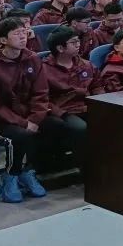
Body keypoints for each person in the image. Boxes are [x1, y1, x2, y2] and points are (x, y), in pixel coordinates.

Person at [0, 18, 62, 203]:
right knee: (21, 135)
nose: (23, 37)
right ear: (3, 40)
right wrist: (23, 122)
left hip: (26, 115)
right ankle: (11, 175)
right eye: (17, 34)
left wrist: (35, 119)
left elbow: (41, 92)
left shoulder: (32, 58)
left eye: (24, 32)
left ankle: (28, 170)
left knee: (55, 125)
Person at [39, 27, 91, 168]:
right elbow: (42, 98)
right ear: (60, 48)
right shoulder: (43, 69)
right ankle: (84, 168)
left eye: (78, 41)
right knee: (80, 128)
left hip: (86, 105)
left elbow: (97, 85)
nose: (78, 44)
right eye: (73, 42)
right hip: (63, 110)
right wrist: (61, 113)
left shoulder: (85, 64)